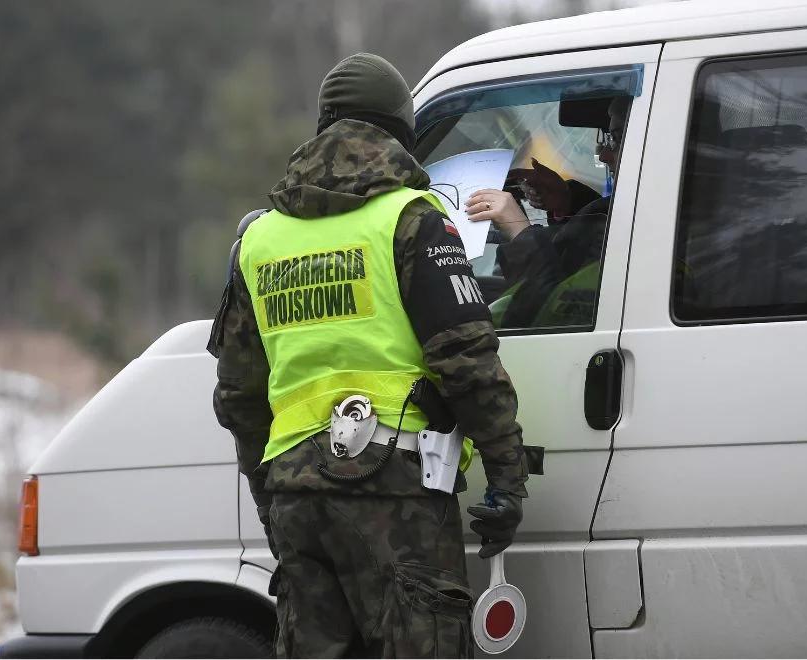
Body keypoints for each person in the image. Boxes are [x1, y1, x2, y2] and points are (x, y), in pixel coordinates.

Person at [209, 53, 530, 658]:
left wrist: (270, 494)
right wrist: (507, 477)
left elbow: (239, 395)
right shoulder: (410, 219)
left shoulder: (259, 240)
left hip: (298, 501)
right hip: (397, 494)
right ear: (399, 132)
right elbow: (468, 360)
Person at [465, 96, 631, 328]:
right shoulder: (638, 214)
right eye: (606, 139)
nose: (603, 155)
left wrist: (519, 232)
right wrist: (566, 201)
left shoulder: (648, 231)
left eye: (616, 139)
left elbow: (547, 313)